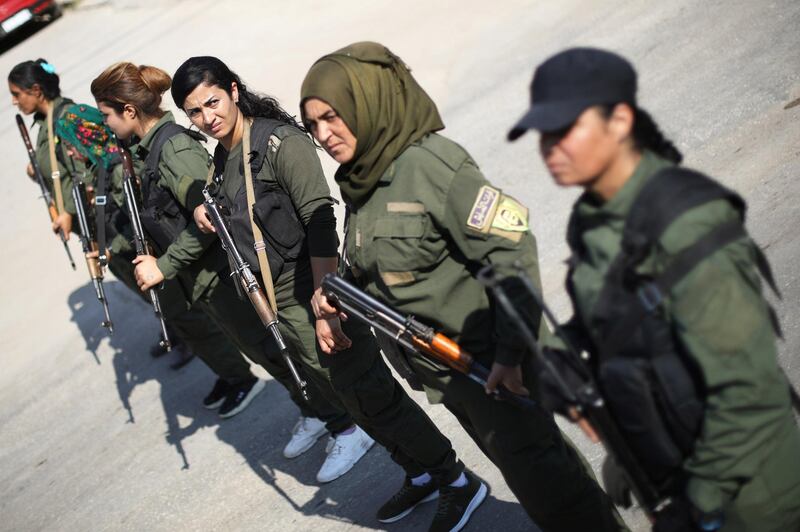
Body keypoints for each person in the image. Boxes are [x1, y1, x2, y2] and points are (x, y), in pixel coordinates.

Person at [300, 42, 624, 532]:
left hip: (493, 365)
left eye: (333, 117)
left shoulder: (431, 164)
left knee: (551, 489)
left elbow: (513, 250)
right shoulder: (363, 180)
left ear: (366, 103)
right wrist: (336, 291)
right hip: (449, 372)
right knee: (537, 477)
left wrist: (511, 358)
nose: (324, 135)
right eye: (313, 125)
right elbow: (375, 262)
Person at [171, 56, 481, 530]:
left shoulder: (278, 142)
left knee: (372, 393)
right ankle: (418, 472)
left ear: (233, 90)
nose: (207, 117)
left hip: (316, 295)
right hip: (281, 309)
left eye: (212, 102)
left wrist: (324, 303)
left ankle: (455, 480)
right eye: (194, 112)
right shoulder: (223, 158)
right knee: (350, 400)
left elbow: (319, 218)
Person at [507, 47, 800, 531]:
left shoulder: (683, 221)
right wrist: (561, 356)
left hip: (753, 497)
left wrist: (697, 503)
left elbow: (750, 392)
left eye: (565, 131)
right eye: (543, 136)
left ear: (619, 119)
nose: (549, 149)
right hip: (673, 466)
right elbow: (618, 321)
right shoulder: (595, 217)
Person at [90, 62, 371, 481]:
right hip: (205, 282)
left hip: (223, 275)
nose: (107, 125)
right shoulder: (145, 153)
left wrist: (163, 265)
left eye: (108, 115)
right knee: (271, 357)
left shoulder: (174, 151)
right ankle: (317, 414)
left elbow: (210, 220)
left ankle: (346, 427)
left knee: (283, 353)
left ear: (129, 111)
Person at [9, 58, 88, 239]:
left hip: (104, 224)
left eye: (16, 94)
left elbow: (86, 173)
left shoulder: (66, 116)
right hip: (87, 225)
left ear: (36, 90)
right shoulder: (45, 122)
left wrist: (68, 212)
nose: (14, 101)